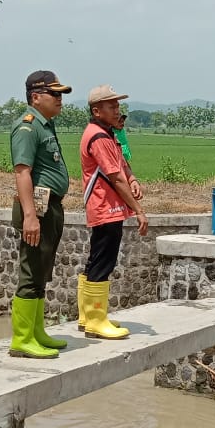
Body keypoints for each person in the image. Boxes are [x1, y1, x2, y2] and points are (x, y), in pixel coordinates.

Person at [8, 70, 73, 359]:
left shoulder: (45, 125)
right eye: (54, 94)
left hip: (51, 206)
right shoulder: (28, 127)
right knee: (31, 270)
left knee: (42, 270)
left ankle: (36, 331)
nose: (60, 99)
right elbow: (23, 173)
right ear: (36, 97)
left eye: (61, 94)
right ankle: (22, 339)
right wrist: (30, 216)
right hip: (37, 209)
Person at [78, 84, 149, 339]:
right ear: (97, 111)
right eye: (112, 106)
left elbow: (121, 166)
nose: (117, 110)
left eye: (118, 105)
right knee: (103, 262)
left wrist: (133, 178)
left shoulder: (107, 134)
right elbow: (115, 177)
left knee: (96, 260)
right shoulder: (98, 137)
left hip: (107, 206)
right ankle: (96, 321)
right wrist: (138, 210)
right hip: (105, 206)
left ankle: (87, 316)